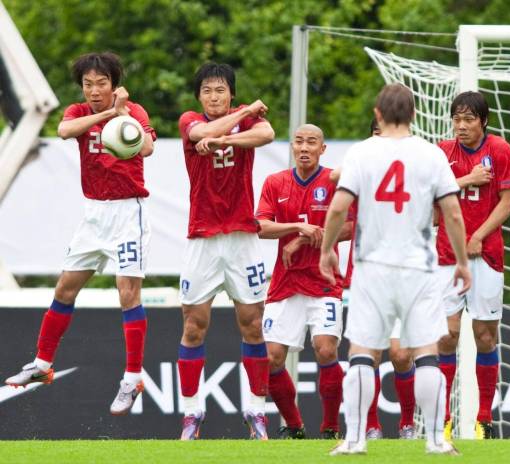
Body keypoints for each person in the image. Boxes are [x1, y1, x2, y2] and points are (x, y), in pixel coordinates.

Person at [319, 83, 470, 455]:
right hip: (419, 267)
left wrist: (326, 251)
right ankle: (435, 440)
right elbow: (452, 212)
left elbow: (338, 208)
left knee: (361, 353)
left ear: (377, 114)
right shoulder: (432, 154)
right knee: (426, 353)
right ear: (414, 114)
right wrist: (462, 261)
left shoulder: (361, 152)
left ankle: (355, 439)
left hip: (372, 267)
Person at [5, 52, 155, 417]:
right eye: (88, 84)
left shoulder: (133, 112)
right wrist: (106, 114)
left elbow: (147, 147)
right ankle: (43, 365)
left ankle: (133, 378)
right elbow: (63, 131)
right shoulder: (78, 112)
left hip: (128, 213)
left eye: (101, 83)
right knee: (64, 288)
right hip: (94, 216)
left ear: (114, 84)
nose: (94, 90)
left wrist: (121, 114)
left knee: (127, 293)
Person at [176, 62, 275, 440]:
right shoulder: (190, 120)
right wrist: (240, 117)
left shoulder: (245, 123)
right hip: (202, 238)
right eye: (207, 91)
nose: (214, 97)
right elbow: (201, 132)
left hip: (241, 238)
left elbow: (267, 133)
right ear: (198, 96)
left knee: (253, 324)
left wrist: (226, 140)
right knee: (193, 325)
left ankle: (256, 412)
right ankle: (191, 414)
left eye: (220, 90)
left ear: (231, 94)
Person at [255, 124, 352, 439]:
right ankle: (294, 426)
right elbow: (260, 226)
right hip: (286, 283)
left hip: (324, 282)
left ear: (322, 149)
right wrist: (297, 228)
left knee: (325, 350)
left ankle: (330, 428)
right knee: (270, 358)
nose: (304, 147)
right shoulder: (275, 182)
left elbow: (352, 226)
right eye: (299, 142)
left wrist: (308, 238)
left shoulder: (334, 182)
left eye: (312, 142)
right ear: (292, 147)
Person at [436, 91, 510, 439]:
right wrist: (467, 179)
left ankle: (484, 419)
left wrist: (479, 235)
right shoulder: (442, 152)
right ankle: (443, 419)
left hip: (486, 253)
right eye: (457, 119)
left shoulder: (500, 150)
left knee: (484, 337)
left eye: (468, 119)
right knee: (446, 335)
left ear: (483, 121)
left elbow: (508, 201)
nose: (461, 126)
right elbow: (430, 196)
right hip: (446, 255)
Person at [356, 119, 418, 440]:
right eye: (376, 134)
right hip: (368, 276)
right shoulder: (357, 175)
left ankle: (407, 423)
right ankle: (371, 426)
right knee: (369, 354)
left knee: (401, 354)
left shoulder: (415, 174)